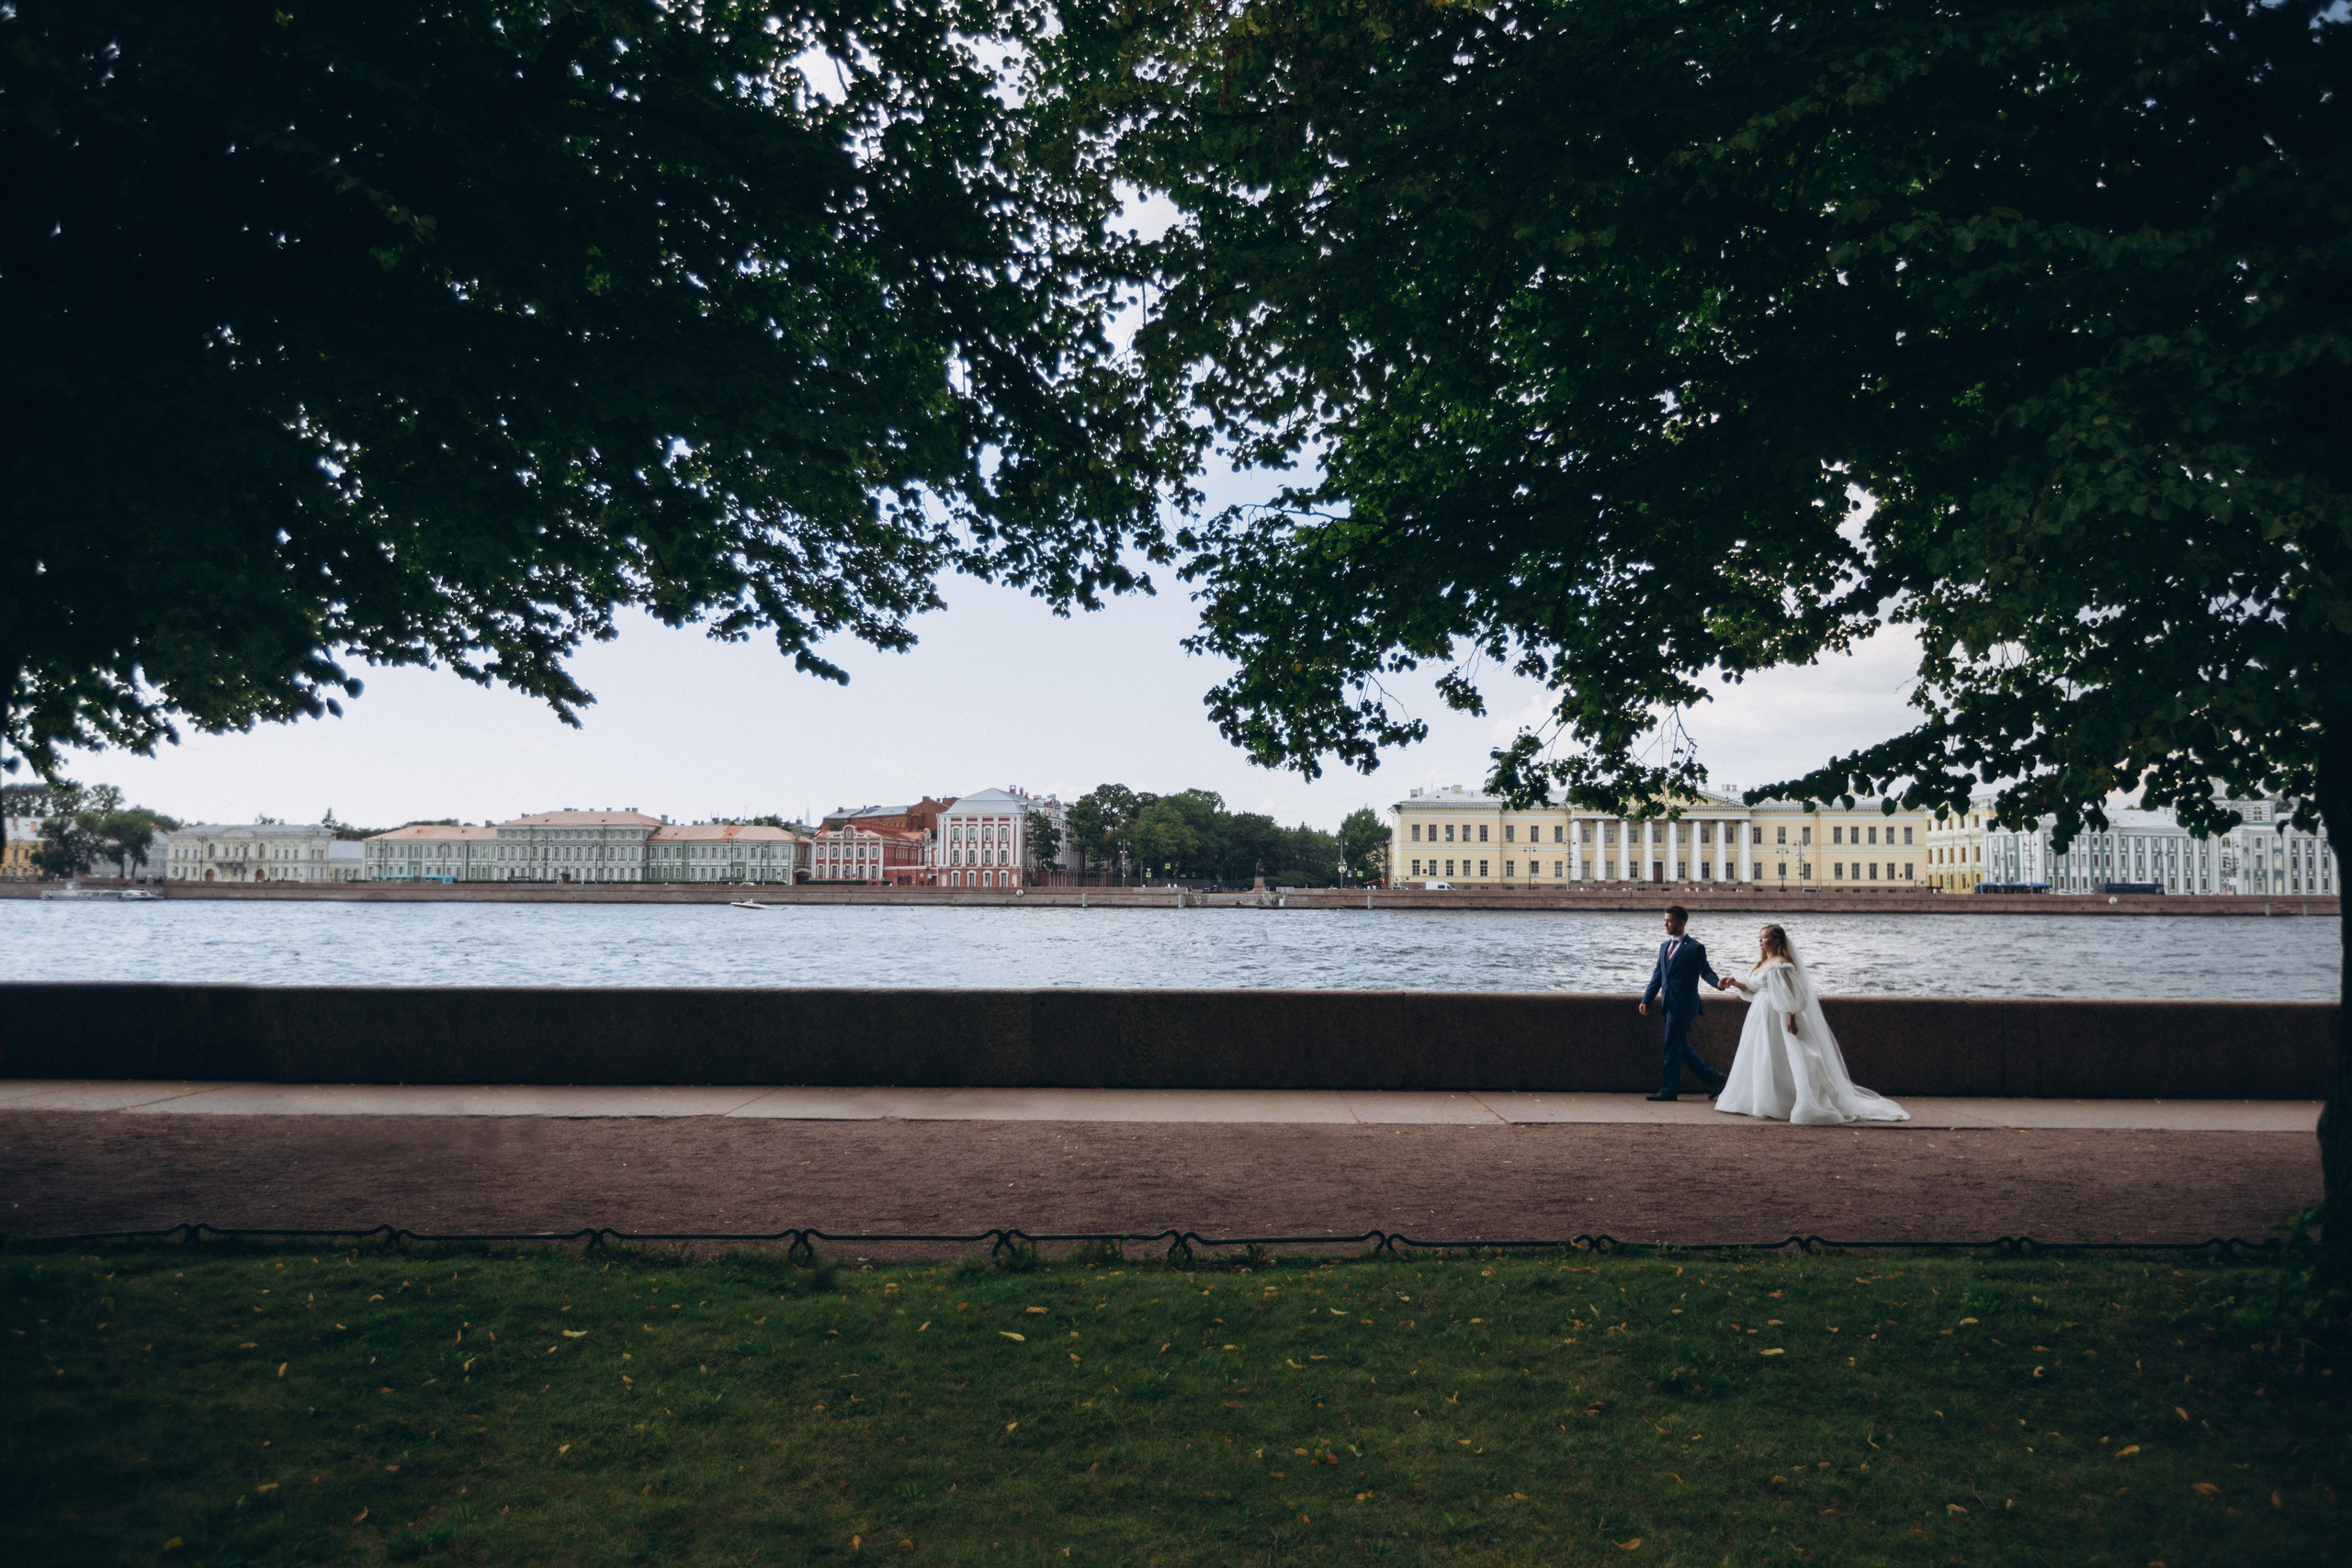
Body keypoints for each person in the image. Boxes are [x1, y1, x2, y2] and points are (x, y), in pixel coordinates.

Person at [1714, 924, 1910, 1125]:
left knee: (1780, 1055)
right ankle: (1761, 1101)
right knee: (1762, 1055)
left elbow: (1792, 994)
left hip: (1776, 1013)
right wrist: (1734, 983)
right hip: (1760, 1013)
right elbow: (1755, 989)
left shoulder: (1781, 963)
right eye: (1760, 937)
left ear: (1777, 941)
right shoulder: (1763, 963)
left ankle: (1784, 1101)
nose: (1760, 941)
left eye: (1764, 937)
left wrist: (1791, 1018)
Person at [1636, 905, 1728, 1101]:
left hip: (1685, 1005)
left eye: (1669, 921)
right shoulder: (1664, 947)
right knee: (1678, 1045)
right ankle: (1716, 1079)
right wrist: (1647, 999)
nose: (1665, 924)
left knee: (1672, 1045)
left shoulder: (1695, 948)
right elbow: (1658, 975)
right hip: (1669, 1004)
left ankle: (1669, 1090)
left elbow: (1706, 972)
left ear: (1681, 922)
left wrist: (1718, 983)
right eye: (1664, 920)